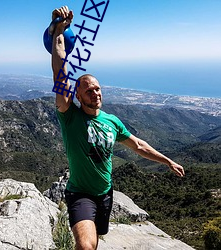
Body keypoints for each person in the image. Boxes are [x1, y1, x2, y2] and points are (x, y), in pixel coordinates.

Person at [50, 6, 185, 250]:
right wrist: (59, 32)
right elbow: (60, 71)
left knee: (96, 241)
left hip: (105, 194)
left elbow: (139, 145)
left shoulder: (113, 121)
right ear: (77, 95)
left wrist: (167, 161)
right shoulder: (70, 116)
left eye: (98, 88)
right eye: (88, 90)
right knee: (85, 246)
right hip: (80, 194)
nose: (95, 92)